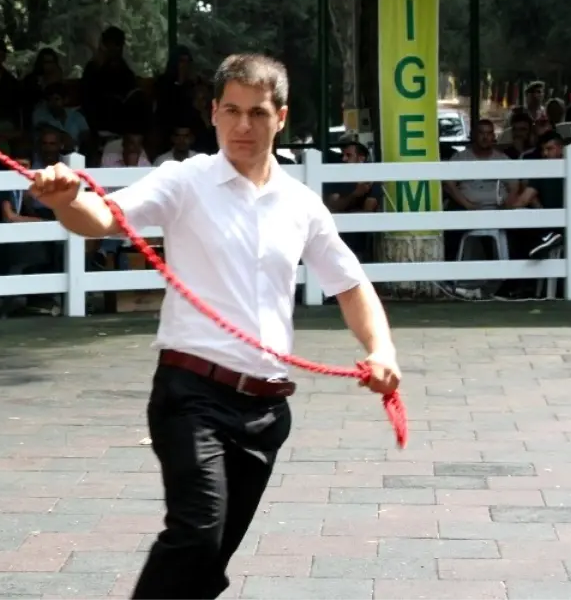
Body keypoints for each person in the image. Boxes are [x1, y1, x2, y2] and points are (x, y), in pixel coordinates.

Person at [28, 53, 401, 600]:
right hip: (191, 396)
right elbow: (104, 217)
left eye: (257, 112)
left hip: (266, 412)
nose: (243, 125)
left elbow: (350, 285)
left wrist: (382, 349)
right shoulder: (184, 181)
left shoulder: (302, 204)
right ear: (213, 113)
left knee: (207, 565)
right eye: (231, 110)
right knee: (197, 536)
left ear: (281, 117)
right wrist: (67, 204)